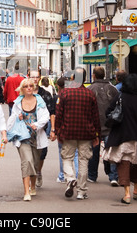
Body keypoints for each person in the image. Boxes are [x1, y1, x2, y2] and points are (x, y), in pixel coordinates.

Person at [103, 73, 137, 204]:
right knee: (135, 163)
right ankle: (136, 190)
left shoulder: (120, 97)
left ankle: (127, 194)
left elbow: (109, 112)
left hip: (122, 135)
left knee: (123, 163)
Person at [54, 67, 100, 200]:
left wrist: (57, 131)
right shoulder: (90, 94)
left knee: (67, 158)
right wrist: (97, 135)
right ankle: (81, 191)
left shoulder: (64, 93)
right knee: (83, 161)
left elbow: (59, 115)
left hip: (68, 132)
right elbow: (95, 116)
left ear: (72, 78)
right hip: (86, 133)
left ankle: (70, 178)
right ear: (85, 79)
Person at [7, 78, 50, 201]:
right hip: (23, 137)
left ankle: (32, 186)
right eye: (26, 86)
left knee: (35, 163)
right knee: (27, 162)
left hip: (37, 137)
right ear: (22, 89)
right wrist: (18, 117)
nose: (29, 88)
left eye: (31, 85)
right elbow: (11, 120)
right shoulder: (17, 103)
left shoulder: (40, 101)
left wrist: (37, 124)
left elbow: (45, 116)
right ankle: (26, 191)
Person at [87, 66, 119, 186]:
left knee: (93, 151)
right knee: (111, 151)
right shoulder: (112, 89)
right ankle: (113, 176)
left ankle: (92, 175)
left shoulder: (90, 89)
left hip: (94, 126)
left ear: (93, 75)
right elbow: (118, 106)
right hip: (110, 125)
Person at [29, 70, 55, 188]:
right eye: (32, 77)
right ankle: (30, 176)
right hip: (27, 130)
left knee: (42, 153)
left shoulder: (45, 94)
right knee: (28, 155)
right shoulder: (25, 92)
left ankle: (38, 172)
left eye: (36, 77)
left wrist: (53, 129)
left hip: (42, 129)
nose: (34, 79)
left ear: (39, 78)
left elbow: (52, 113)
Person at [52, 77, 78, 183]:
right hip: (76, 127)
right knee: (76, 153)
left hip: (64, 129)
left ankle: (63, 175)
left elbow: (57, 115)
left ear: (58, 86)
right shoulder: (73, 95)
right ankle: (76, 175)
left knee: (63, 152)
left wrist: (55, 130)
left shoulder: (59, 97)